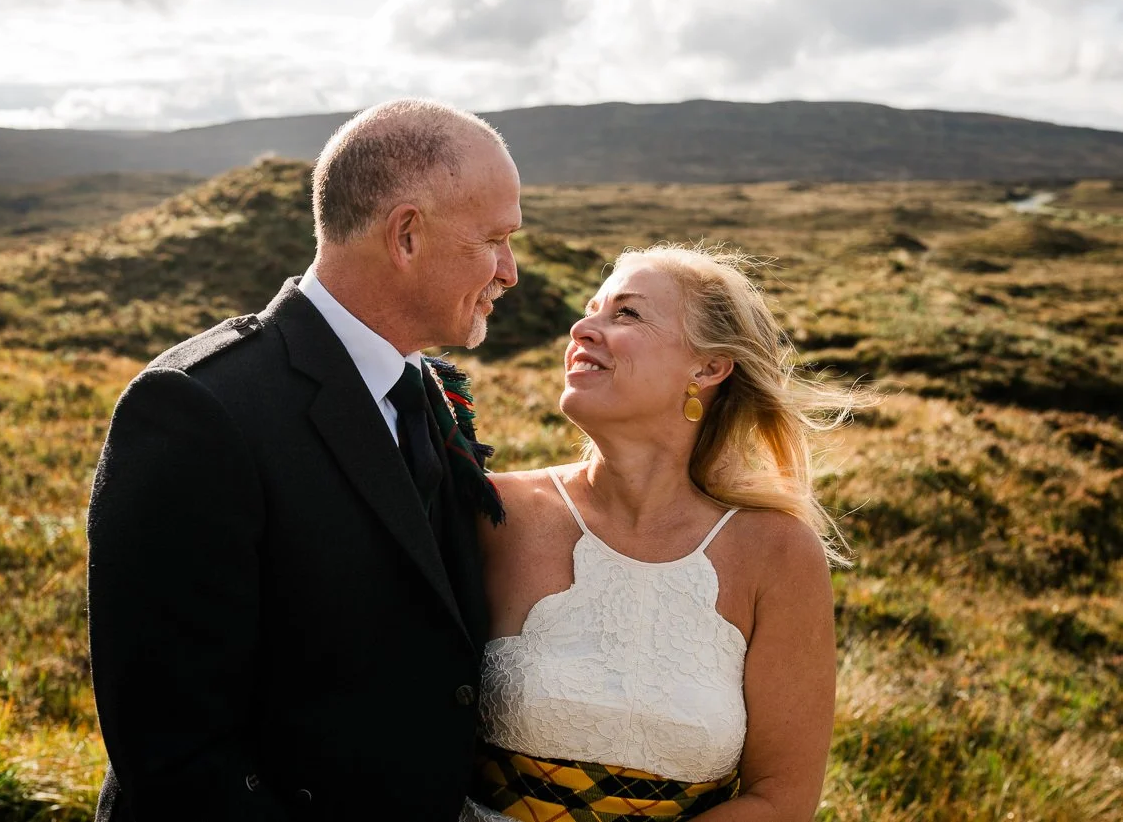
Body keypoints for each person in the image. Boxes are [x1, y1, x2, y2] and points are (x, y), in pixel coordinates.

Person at [86, 98, 521, 821]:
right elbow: (177, 755)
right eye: (496, 240)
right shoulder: (197, 411)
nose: (510, 271)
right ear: (406, 234)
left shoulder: (428, 391)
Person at [462, 245, 854, 822]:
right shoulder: (492, 510)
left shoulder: (777, 552)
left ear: (708, 368)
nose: (582, 328)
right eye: (591, 309)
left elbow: (781, 798)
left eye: (626, 314)